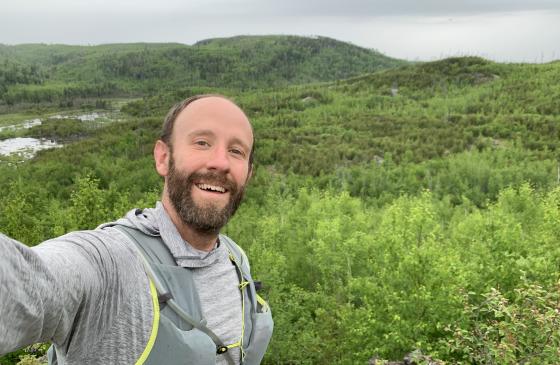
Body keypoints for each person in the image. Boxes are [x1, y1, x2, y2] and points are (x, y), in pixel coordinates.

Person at [0, 94, 273, 365]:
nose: (221, 163)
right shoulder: (111, 262)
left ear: (248, 174)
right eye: (202, 143)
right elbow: (30, 280)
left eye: (236, 151)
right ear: (163, 158)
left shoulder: (234, 259)